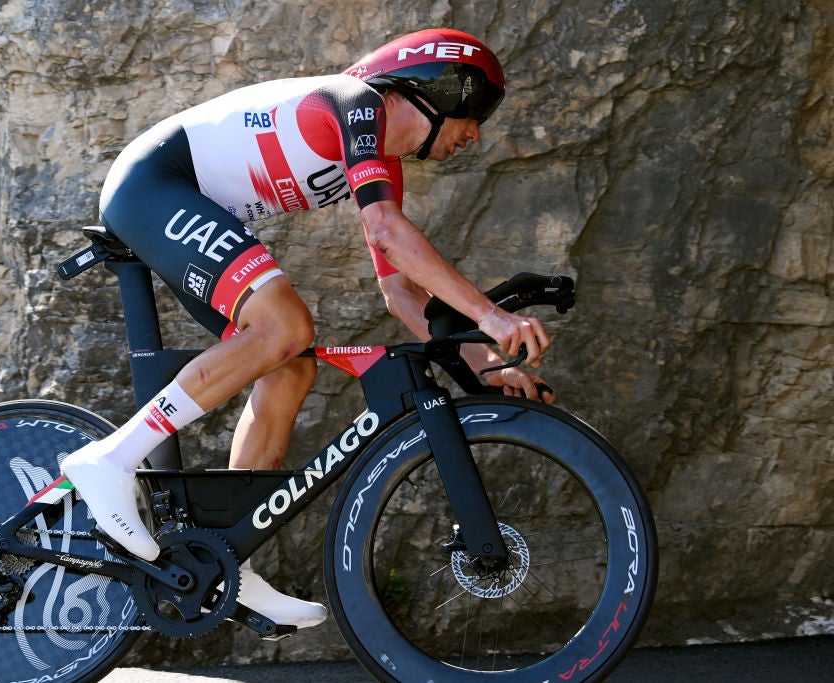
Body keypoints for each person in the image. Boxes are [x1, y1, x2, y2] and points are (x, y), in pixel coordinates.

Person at [62, 28, 552, 630]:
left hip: (177, 200)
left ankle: (224, 552)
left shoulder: (379, 162)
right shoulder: (357, 105)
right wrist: (493, 316)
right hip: (154, 184)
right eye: (473, 113)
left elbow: (399, 288)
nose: (473, 135)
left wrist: (483, 361)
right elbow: (386, 235)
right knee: (285, 323)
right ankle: (111, 460)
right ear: (435, 89)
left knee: (290, 362)